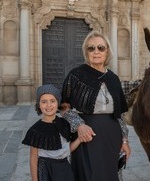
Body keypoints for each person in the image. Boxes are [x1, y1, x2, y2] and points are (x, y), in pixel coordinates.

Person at [61, 30, 131, 181]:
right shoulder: (76, 75)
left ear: (107, 51)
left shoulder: (113, 78)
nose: (96, 52)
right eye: (91, 48)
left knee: (111, 175)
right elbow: (63, 107)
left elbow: (120, 115)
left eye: (100, 47)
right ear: (86, 52)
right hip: (87, 135)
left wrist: (124, 141)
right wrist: (79, 125)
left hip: (112, 136)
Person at [22, 84, 82, 181]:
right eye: (44, 102)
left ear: (57, 103)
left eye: (52, 101)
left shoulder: (65, 124)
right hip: (46, 169)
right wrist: (34, 179)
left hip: (64, 167)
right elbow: (33, 158)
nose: (48, 105)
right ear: (39, 105)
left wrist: (80, 139)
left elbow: (67, 149)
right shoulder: (36, 130)